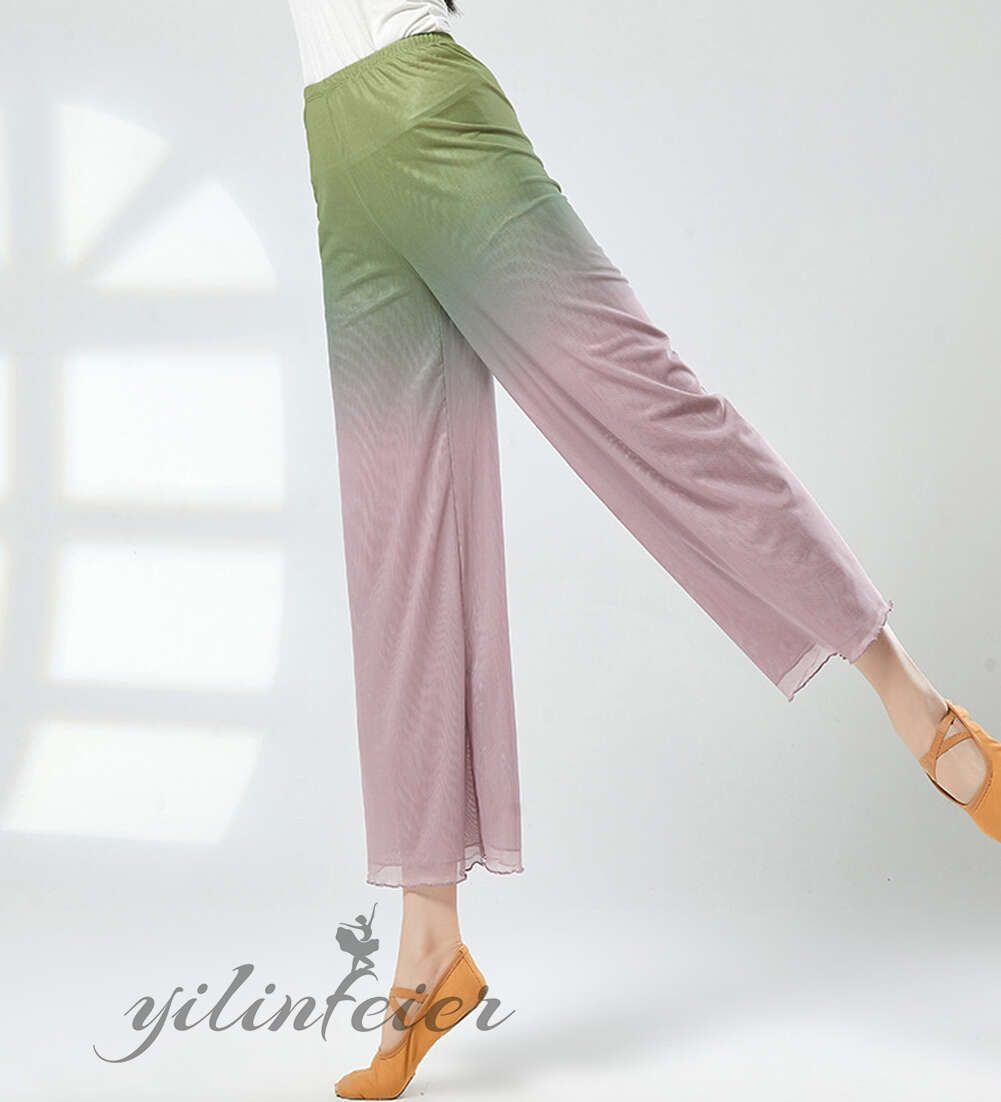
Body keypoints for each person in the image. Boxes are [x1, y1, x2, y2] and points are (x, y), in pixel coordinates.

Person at [285, 2, 1000, 1097]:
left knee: (648, 410)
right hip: (334, 144)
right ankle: (428, 938)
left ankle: (917, 704)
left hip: (425, 105)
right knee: (397, 536)